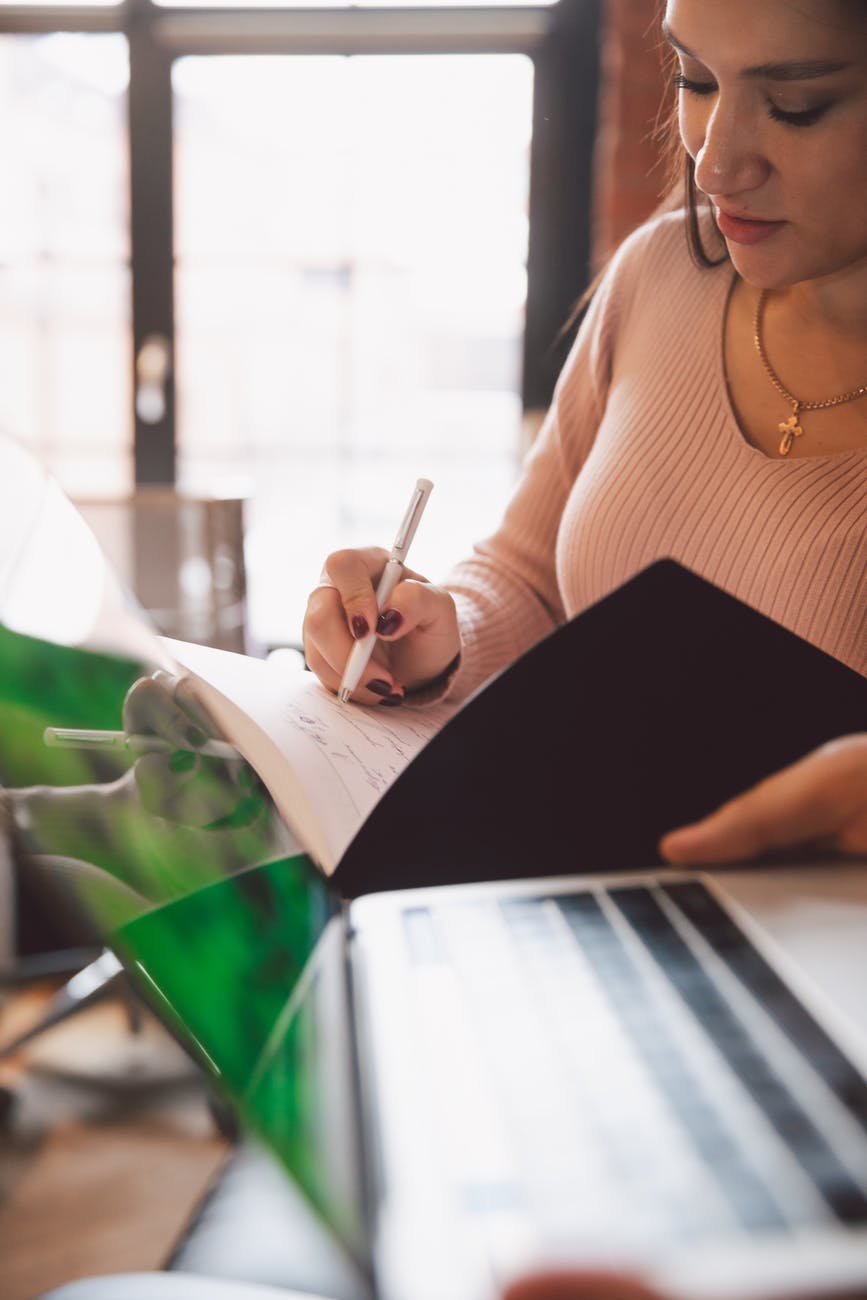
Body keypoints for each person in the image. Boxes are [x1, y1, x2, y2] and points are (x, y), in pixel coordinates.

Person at [303, 0, 867, 872]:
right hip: (575, 917)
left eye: (796, 105)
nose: (714, 162)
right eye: (696, 80)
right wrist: (433, 637)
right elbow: (530, 578)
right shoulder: (662, 271)